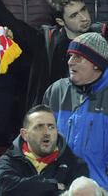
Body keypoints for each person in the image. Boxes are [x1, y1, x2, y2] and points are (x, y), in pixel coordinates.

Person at [43, 33, 108, 187]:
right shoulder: (57, 91)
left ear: (96, 64)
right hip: (58, 187)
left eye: (78, 58)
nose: (70, 62)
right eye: (70, 56)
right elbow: (34, 138)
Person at [0, 105, 89, 195]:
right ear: (25, 134)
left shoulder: (76, 165)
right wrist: (53, 185)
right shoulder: (8, 161)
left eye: (51, 127)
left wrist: (26, 189)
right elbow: (6, 190)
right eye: (39, 127)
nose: (47, 133)